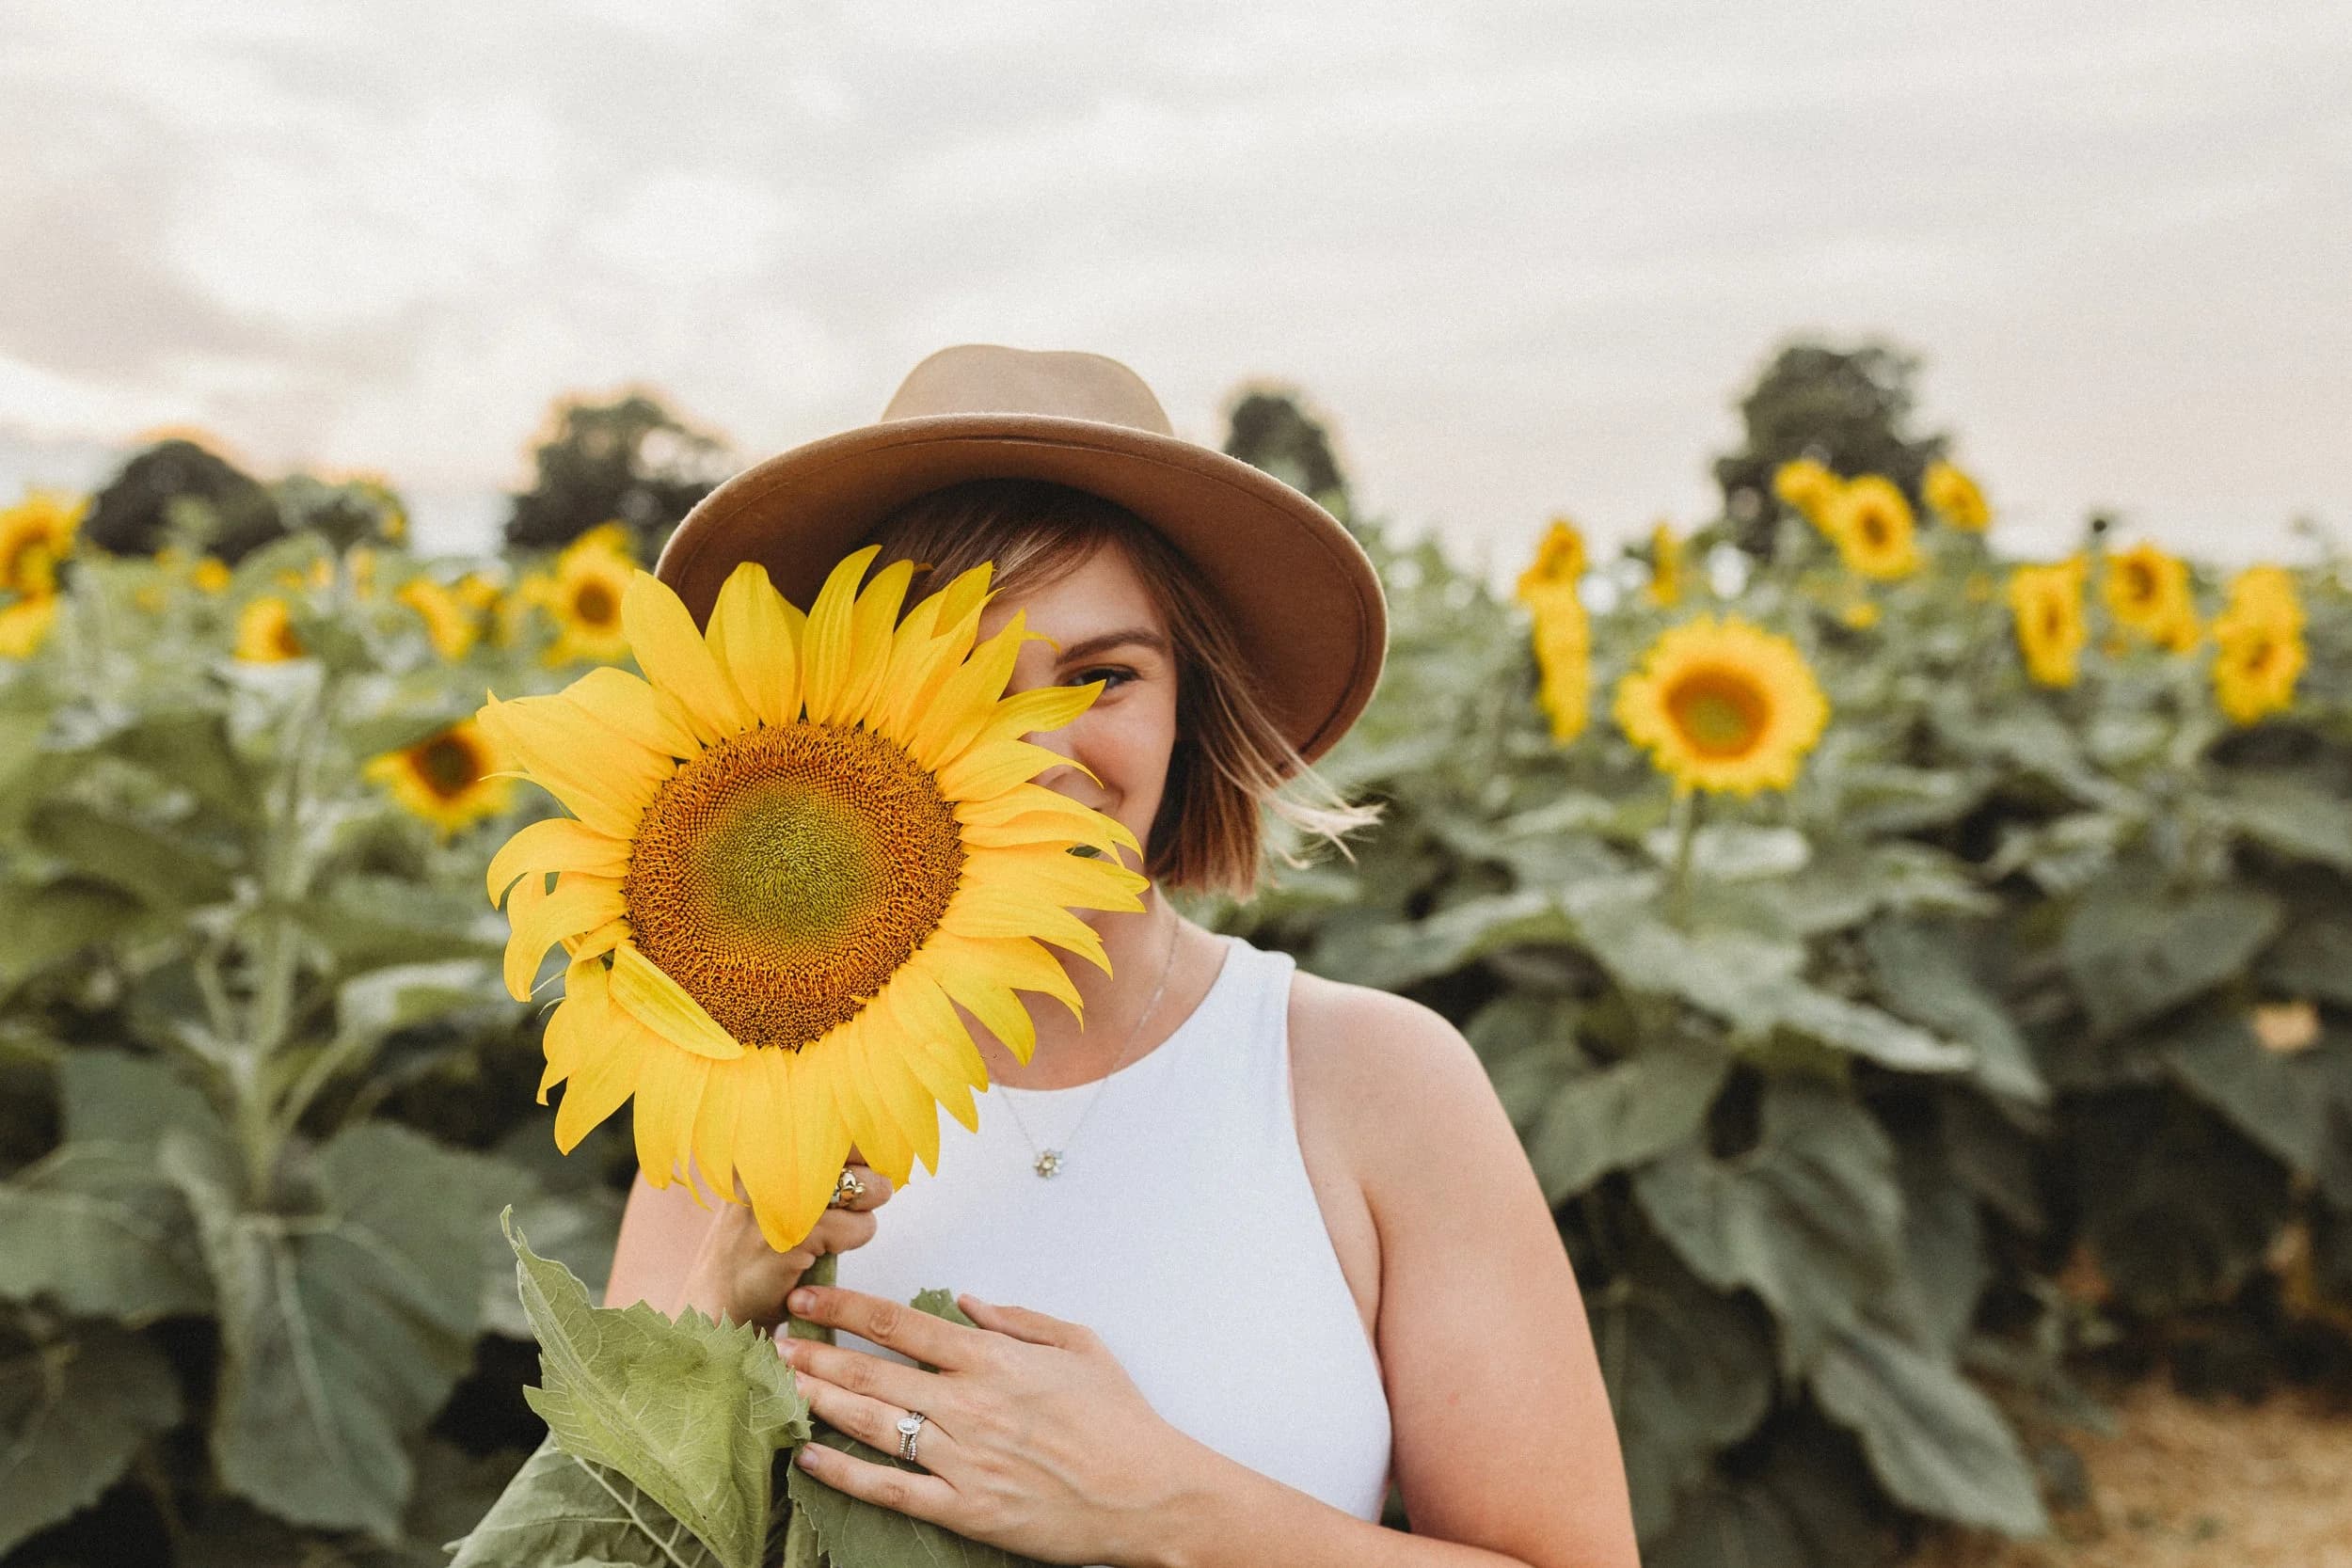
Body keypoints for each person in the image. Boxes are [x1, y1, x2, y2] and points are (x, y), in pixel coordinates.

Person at [600, 345, 1639, 1568]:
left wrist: (1168, 1507)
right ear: (854, 714)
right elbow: (608, 1535)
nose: (1044, 748)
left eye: (1103, 676)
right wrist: (715, 1316)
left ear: (1190, 706)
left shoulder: (1374, 1081)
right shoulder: (745, 1072)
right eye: (968, 676)